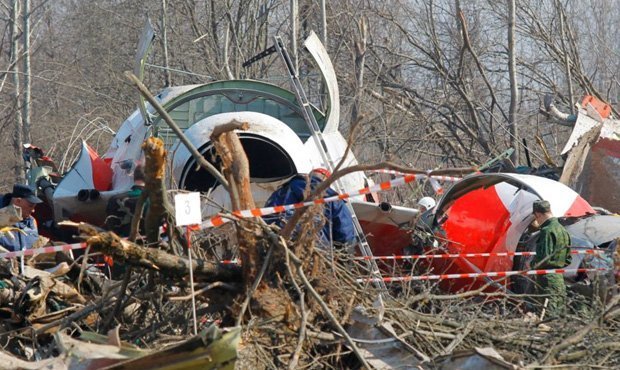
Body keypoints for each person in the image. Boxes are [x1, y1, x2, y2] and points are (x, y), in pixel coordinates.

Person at [264, 168, 356, 246]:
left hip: (276, 239)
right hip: (316, 250)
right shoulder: (335, 200)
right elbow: (345, 235)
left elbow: (268, 213)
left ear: (308, 176)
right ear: (327, 181)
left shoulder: (285, 188)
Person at [531, 199, 572, 317]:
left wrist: (532, 265)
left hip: (546, 279)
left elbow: (543, 258)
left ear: (538, 214)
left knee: (546, 316)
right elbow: (568, 258)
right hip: (559, 278)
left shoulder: (546, 231)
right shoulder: (563, 230)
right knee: (558, 315)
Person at [105, 165, 146, 236]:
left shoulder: (113, 199)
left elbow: (109, 225)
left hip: (117, 244)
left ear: (134, 177)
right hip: (146, 244)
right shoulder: (153, 201)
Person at [0, 184, 43, 252]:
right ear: (18, 201)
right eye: (30, 206)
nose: (33, 210)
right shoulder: (2, 219)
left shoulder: (32, 222)